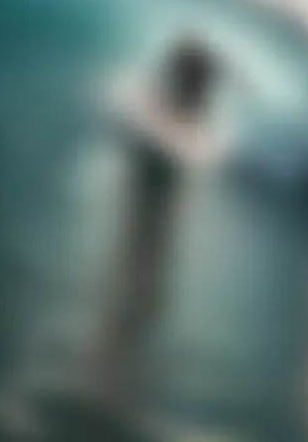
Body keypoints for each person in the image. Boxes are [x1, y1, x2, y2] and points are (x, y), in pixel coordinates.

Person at [90, 35, 223, 417]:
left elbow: (197, 95)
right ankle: (123, 355)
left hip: (168, 165)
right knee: (143, 258)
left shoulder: (197, 77)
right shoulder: (185, 73)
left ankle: (123, 357)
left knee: (146, 260)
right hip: (160, 162)